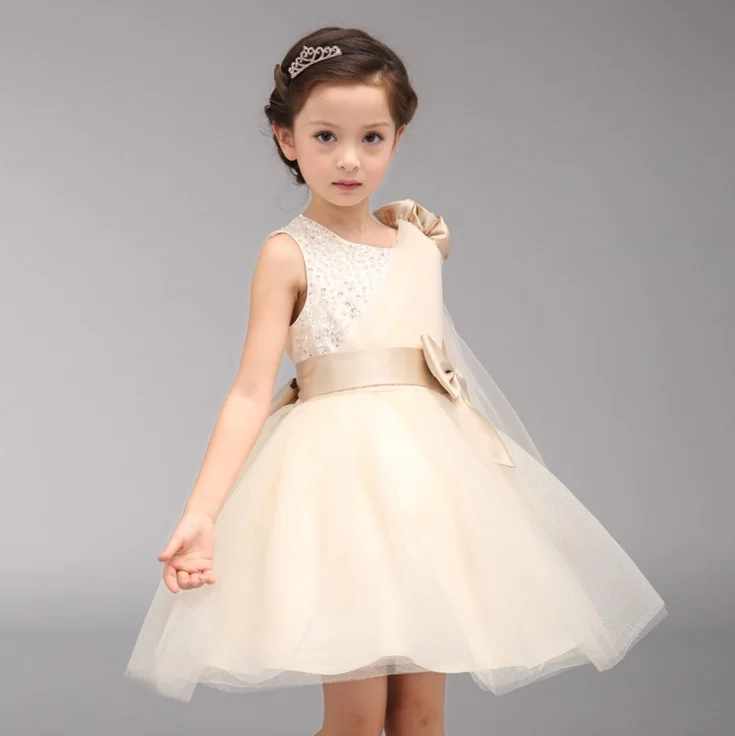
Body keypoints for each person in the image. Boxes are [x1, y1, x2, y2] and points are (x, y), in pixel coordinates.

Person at [124, 25, 667, 735]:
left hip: (426, 489)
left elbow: (436, 369)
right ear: (287, 139)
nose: (349, 158)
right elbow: (250, 391)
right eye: (325, 137)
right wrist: (202, 513)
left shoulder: (417, 245)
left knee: (418, 717)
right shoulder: (287, 253)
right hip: (335, 493)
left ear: (397, 139)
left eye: (371, 138)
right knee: (355, 721)